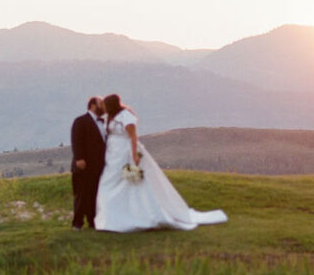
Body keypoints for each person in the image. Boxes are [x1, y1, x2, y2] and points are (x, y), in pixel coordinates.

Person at [94, 93, 228, 232]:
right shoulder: (110, 117)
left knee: (131, 183)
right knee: (107, 183)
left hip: (125, 152)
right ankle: (111, 217)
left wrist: (134, 155)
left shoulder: (126, 116)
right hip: (112, 154)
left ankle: (129, 217)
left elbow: (133, 136)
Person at [70, 96, 107, 229]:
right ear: (92, 105)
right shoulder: (81, 121)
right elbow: (76, 140)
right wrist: (79, 158)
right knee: (82, 195)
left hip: (98, 166)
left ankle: (93, 222)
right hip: (84, 165)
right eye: (101, 104)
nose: (103, 106)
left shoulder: (103, 123)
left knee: (95, 195)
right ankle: (77, 223)